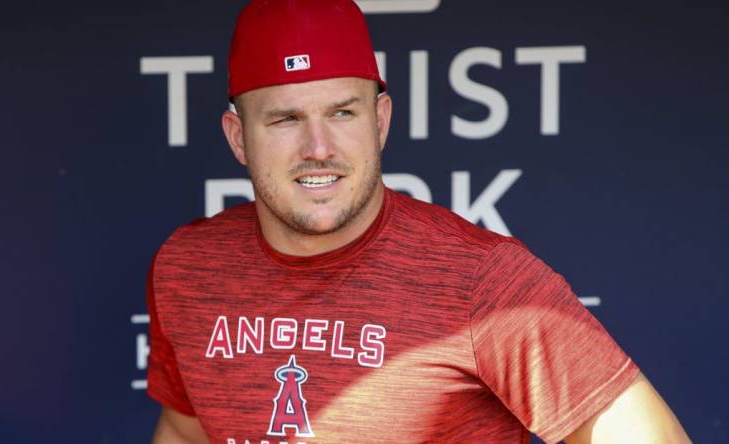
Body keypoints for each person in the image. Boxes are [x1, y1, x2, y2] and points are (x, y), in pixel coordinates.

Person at [146, 1, 690, 443]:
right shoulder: (188, 269)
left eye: (343, 112)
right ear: (239, 137)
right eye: (286, 118)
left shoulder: (481, 279)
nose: (318, 148)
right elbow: (185, 429)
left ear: (379, 120)